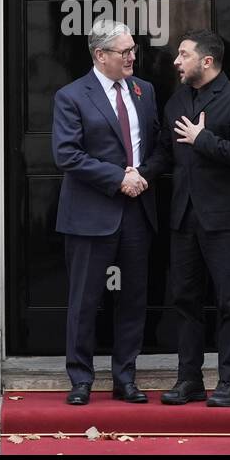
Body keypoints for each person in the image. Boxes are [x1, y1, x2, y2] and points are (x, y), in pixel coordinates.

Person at [138, 29, 230, 408]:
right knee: (185, 301)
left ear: (206, 61)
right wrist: (139, 174)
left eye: (183, 54)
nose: (176, 61)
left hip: (225, 221)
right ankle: (188, 379)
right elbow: (163, 152)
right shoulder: (176, 102)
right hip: (184, 220)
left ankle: (227, 383)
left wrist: (203, 139)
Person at [51, 20, 161, 405]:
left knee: (133, 298)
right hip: (90, 213)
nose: (132, 56)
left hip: (137, 211)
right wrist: (119, 178)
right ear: (100, 55)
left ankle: (125, 378)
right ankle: (80, 379)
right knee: (84, 300)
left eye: (133, 50)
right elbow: (67, 154)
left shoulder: (143, 90)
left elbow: (155, 145)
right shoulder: (71, 95)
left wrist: (141, 175)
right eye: (124, 51)